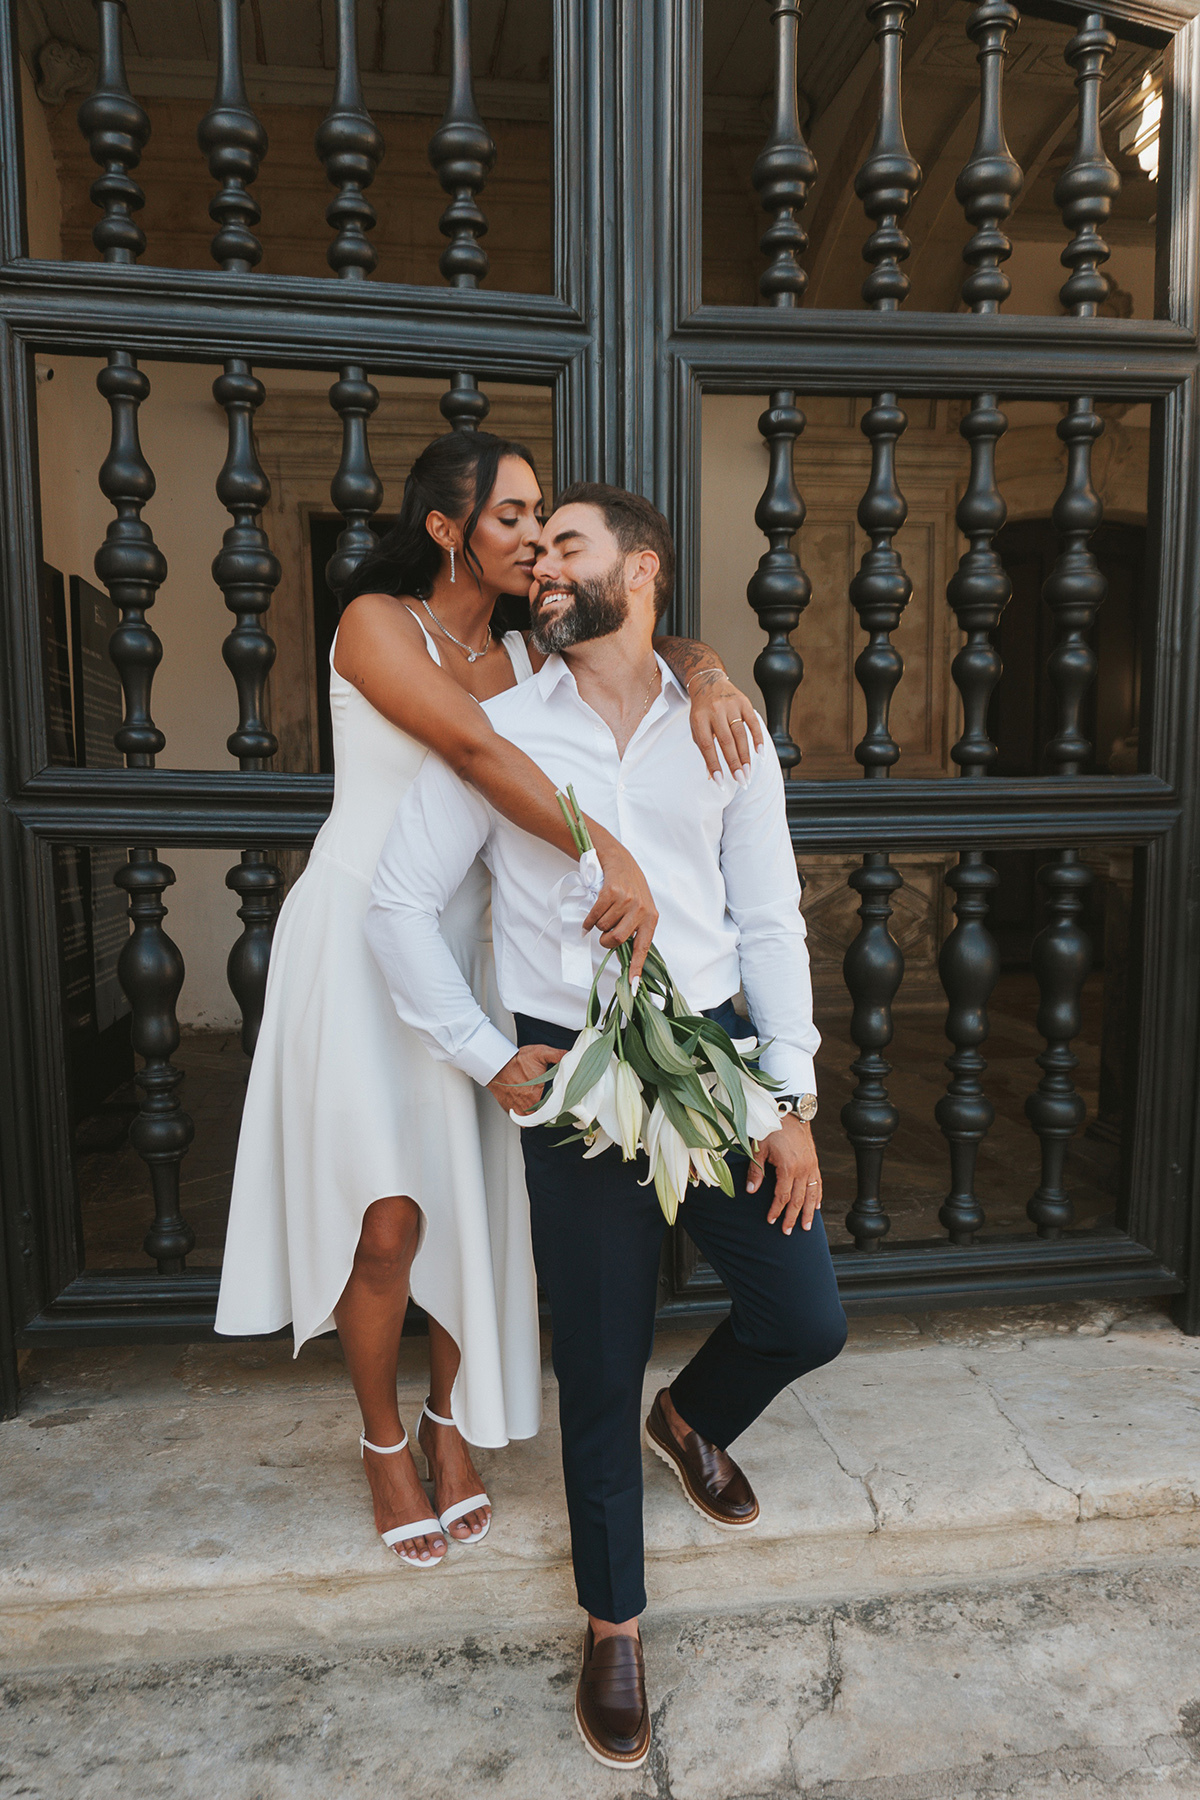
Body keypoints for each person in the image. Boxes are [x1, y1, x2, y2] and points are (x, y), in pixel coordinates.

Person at [215, 433, 765, 1574]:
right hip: (364, 936)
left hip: (475, 950)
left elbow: (647, 640)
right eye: (512, 515)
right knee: (387, 1221)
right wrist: (599, 840)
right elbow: (468, 747)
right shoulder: (376, 622)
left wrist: (709, 674)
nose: (532, 537)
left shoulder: (529, 651)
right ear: (445, 530)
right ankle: (379, 1440)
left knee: (476, 1210)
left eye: (545, 520)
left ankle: (450, 1427)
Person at [365, 481, 849, 1767]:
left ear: (643, 570)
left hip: (714, 1053)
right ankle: (614, 1625)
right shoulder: (502, 733)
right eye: (532, 552)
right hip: (575, 1074)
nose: (539, 567)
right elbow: (397, 908)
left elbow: (767, 922)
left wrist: (790, 1093)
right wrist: (483, 1055)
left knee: (806, 1315)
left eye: (565, 546)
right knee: (598, 1351)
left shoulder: (722, 726)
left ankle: (692, 1423)